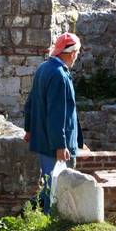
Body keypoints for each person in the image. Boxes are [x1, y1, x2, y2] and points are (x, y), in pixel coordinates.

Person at [23, 32, 84, 214]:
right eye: (77, 53)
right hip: (55, 144)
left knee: (50, 184)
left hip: (44, 138)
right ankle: (50, 220)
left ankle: (36, 214)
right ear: (72, 53)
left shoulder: (44, 68)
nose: (76, 57)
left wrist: (29, 129)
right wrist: (60, 145)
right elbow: (57, 114)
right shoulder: (59, 74)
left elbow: (30, 102)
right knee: (57, 188)